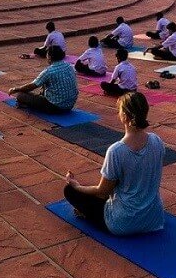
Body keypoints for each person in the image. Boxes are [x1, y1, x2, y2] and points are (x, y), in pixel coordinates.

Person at [62, 92, 164, 235]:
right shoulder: (157, 141)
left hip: (123, 223)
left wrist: (77, 186)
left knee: (70, 191)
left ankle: (88, 213)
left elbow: (102, 192)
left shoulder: (117, 151)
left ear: (125, 116)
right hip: (154, 218)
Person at [9, 45, 77, 114]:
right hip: (70, 105)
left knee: (20, 95)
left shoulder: (49, 71)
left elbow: (32, 86)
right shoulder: (69, 66)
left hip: (55, 106)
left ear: (50, 57)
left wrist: (16, 89)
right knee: (45, 84)